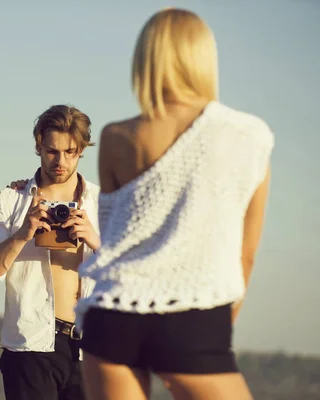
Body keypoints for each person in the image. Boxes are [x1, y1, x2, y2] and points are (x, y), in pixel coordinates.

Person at [75, 8, 274, 400]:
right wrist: (206, 339)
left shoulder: (116, 137)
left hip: (112, 316)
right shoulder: (249, 136)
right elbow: (245, 256)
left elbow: (118, 240)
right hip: (195, 321)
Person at [0, 105, 101, 400]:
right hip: (30, 346)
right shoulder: (9, 200)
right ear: (39, 145)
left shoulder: (103, 202)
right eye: (52, 151)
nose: (61, 161)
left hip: (92, 347)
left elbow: (131, 277)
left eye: (70, 152)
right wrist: (22, 234)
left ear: (82, 150)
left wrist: (95, 240)